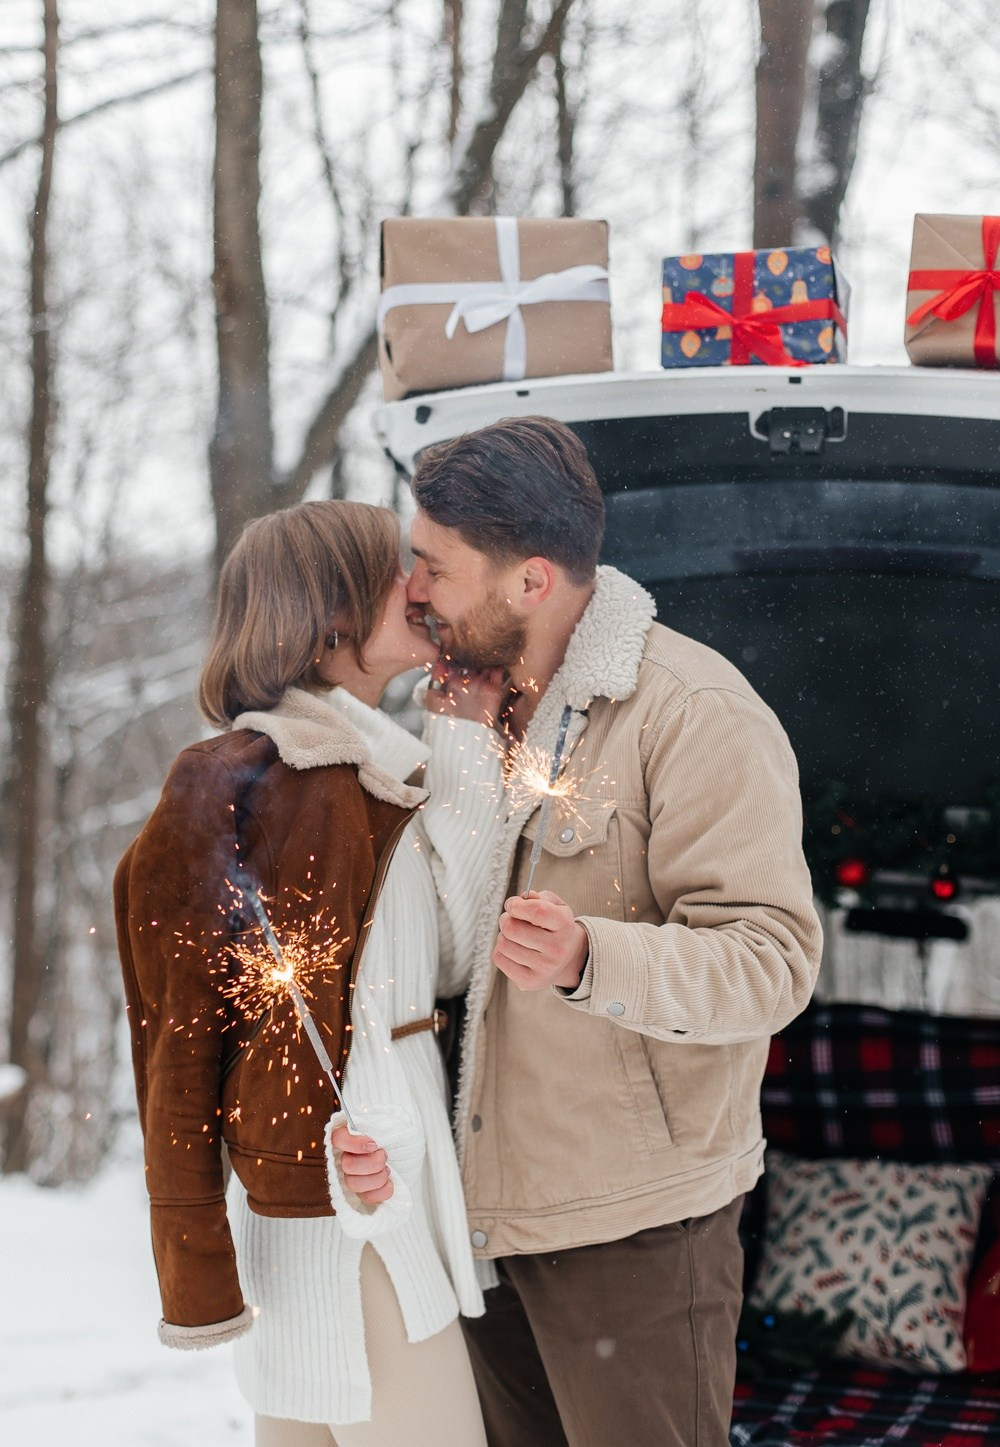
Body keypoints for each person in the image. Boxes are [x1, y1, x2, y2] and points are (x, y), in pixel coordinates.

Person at [399, 416, 824, 1447]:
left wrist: (595, 956)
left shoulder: (694, 712)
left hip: (633, 1228)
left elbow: (774, 958)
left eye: (434, 570)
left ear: (531, 581)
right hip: (485, 1215)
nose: (413, 593)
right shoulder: (457, 705)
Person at [113, 499, 505, 1446]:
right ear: (334, 613)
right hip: (348, 1197)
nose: (419, 587)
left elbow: (449, 954)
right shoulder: (258, 781)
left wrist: (461, 730)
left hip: (367, 1180)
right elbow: (196, 1028)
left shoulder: (359, 768)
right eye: (395, 572)